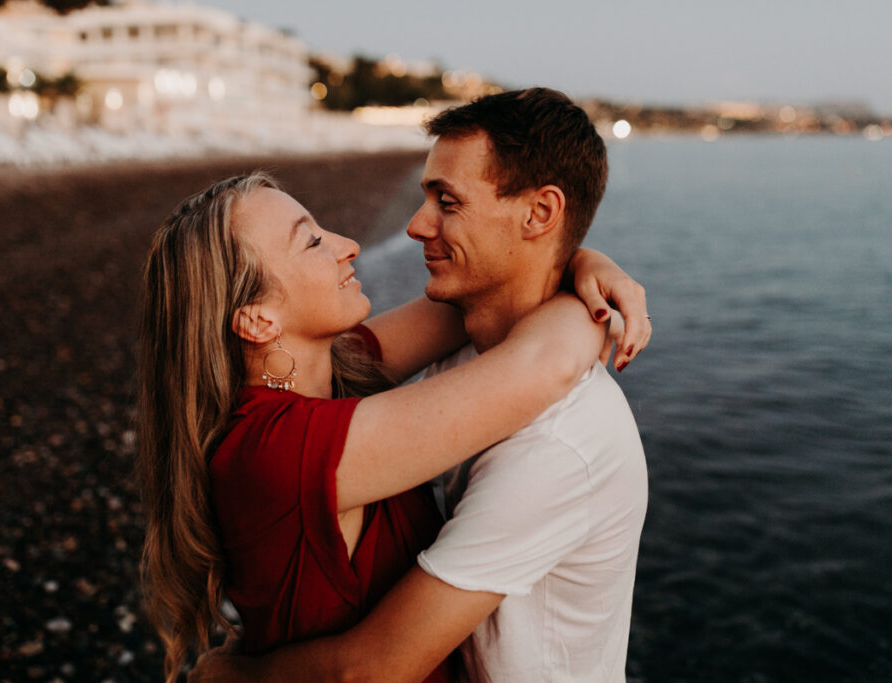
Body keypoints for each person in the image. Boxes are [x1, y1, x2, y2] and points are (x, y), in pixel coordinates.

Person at [139, 127, 649, 681]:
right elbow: (540, 367)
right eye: (311, 242)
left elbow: (491, 295)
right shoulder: (274, 448)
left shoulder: (338, 373)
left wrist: (579, 262)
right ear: (258, 319)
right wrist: (592, 307)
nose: (348, 244)